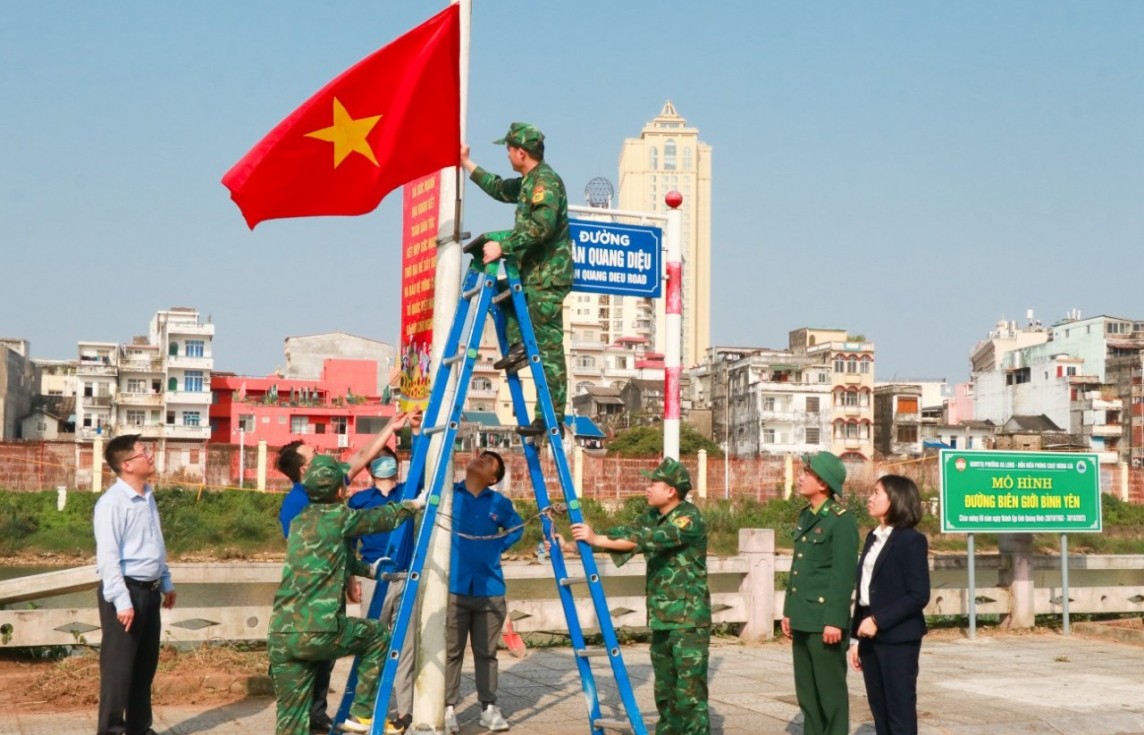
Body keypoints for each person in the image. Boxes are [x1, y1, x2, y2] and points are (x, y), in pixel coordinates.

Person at [273, 411, 414, 733]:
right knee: (366, 640)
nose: (325, 457)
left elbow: (362, 459)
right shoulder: (305, 502)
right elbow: (330, 543)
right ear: (307, 470)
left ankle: (317, 718)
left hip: (296, 618)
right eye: (316, 454)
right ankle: (356, 714)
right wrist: (414, 505)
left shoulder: (318, 491)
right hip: (313, 609)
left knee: (318, 668)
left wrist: (390, 429)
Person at [566, 457, 711, 735]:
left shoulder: (688, 518)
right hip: (662, 617)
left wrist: (596, 540)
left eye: (653, 483)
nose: (648, 488)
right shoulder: (654, 515)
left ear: (671, 491)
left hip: (688, 621)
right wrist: (574, 545)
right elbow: (626, 533)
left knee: (690, 695)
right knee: (665, 692)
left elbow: (645, 540)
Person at [460, 123, 573, 437]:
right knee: (503, 296)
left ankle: (550, 417)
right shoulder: (528, 183)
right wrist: (467, 163)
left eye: (509, 150)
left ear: (521, 152)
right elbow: (499, 188)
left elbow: (542, 227)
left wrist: (504, 246)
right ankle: (520, 346)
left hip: (547, 277)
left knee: (549, 349)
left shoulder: (545, 183)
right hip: (530, 275)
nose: (508, 155)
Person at [93, 433, 177, 735]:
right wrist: (122, 601)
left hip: (150, 590)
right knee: (119, 671)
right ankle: (112, 730)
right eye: (144, 452)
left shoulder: (147, 496)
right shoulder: (112, 504)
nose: (150, 455)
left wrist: (165, 581)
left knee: (144, 668)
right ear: (127, 464)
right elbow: (108, 558)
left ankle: (140, 728)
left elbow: (154, 543)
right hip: (126, 594)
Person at [444, 451, 523, 733]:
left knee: (486, 652)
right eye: (480, 456)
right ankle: (447, 708)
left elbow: (517, 528)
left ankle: (488, 707)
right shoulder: (449, 495)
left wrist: (495, 546)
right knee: (451, 651)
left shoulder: (499, 503)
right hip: (453, 587)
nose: (480, 459)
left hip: (489, 589)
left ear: (493, 478)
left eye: (489, 461)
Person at [782, 451, 859, 735]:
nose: (800, 478)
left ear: (823, 483)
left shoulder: (841, 520)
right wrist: (789, 611)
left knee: (830, 693)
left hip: (824, 621)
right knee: (807, 693)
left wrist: (835, 620)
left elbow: (842, 576)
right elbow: (799, 568)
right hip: (803, 616)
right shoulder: (806, 516)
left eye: (807, 474)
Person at [848, 475, 930, 735]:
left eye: (876, 493)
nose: (869, 498)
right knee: (879, 708)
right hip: (868, 633)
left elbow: (918, 595)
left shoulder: (910, 540)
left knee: (899, 710)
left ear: (896, 499)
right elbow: (865, 590)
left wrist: (877, 621)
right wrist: (855, 639)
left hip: (897, 636)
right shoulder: (873, 536)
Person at [348, 447, 418, 734]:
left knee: (406, 647)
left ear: (398, 464)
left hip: (406, 576)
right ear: (370, 469)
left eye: (389, 460)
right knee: (371, 646)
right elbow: (349, 541)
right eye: (379, 461)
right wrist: (351, 578)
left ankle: (406, 713)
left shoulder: (409, 492)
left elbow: (424, 468)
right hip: (373, 577)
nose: (385, 465)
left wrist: (414, 432)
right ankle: (369, 709)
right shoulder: (360, 500)